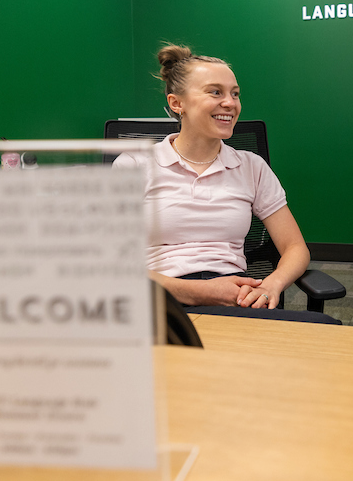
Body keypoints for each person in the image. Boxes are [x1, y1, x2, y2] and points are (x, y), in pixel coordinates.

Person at [114, 45, 310, 309]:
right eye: (215, 92)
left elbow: (295, 247)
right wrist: (199, 291)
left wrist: (270, 285)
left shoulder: (251, 166)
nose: (230, 103)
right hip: (160, 300)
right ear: (176, 103)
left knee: (322, 334)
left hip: (234, 298)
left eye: (235, 94)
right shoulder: (134, 164)